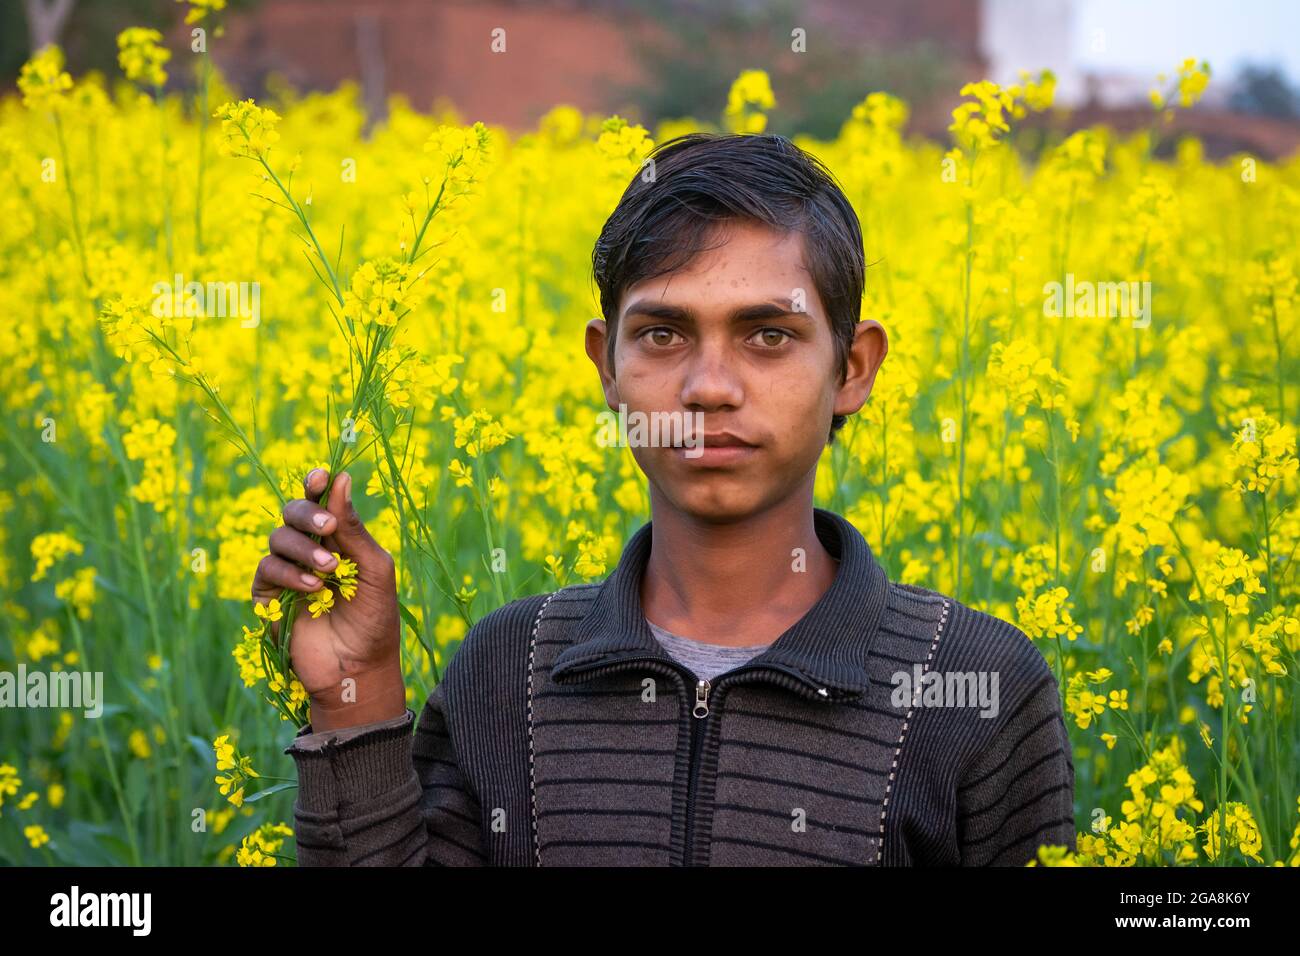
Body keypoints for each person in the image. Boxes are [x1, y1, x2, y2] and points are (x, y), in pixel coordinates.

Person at [252, 132, 1076, 866]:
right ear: (605, 365)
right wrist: (354, 693)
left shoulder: (978, 686)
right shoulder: (505, 670)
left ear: (852, 369)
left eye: (769, 336)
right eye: (662, 335)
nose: (708, 388)